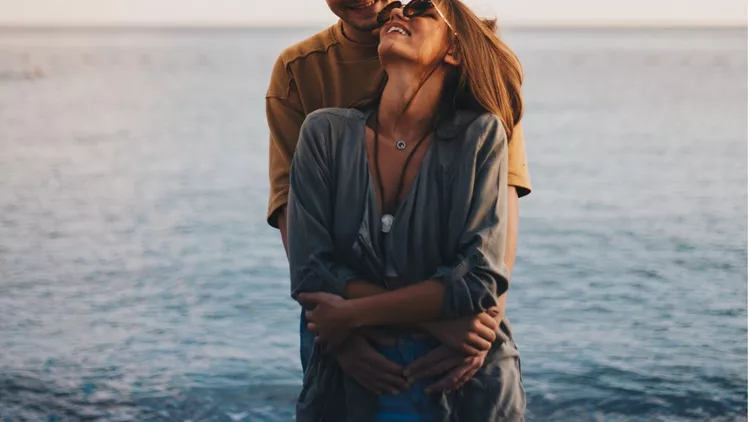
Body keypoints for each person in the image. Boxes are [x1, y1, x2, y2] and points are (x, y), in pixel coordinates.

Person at [266, 0, 532, 396]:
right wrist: (342, 333)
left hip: (453, 330)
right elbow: (294, 213)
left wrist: (483, 326)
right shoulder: (300, 70)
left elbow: (500, 202)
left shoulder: (468, 56)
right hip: (347, 324)